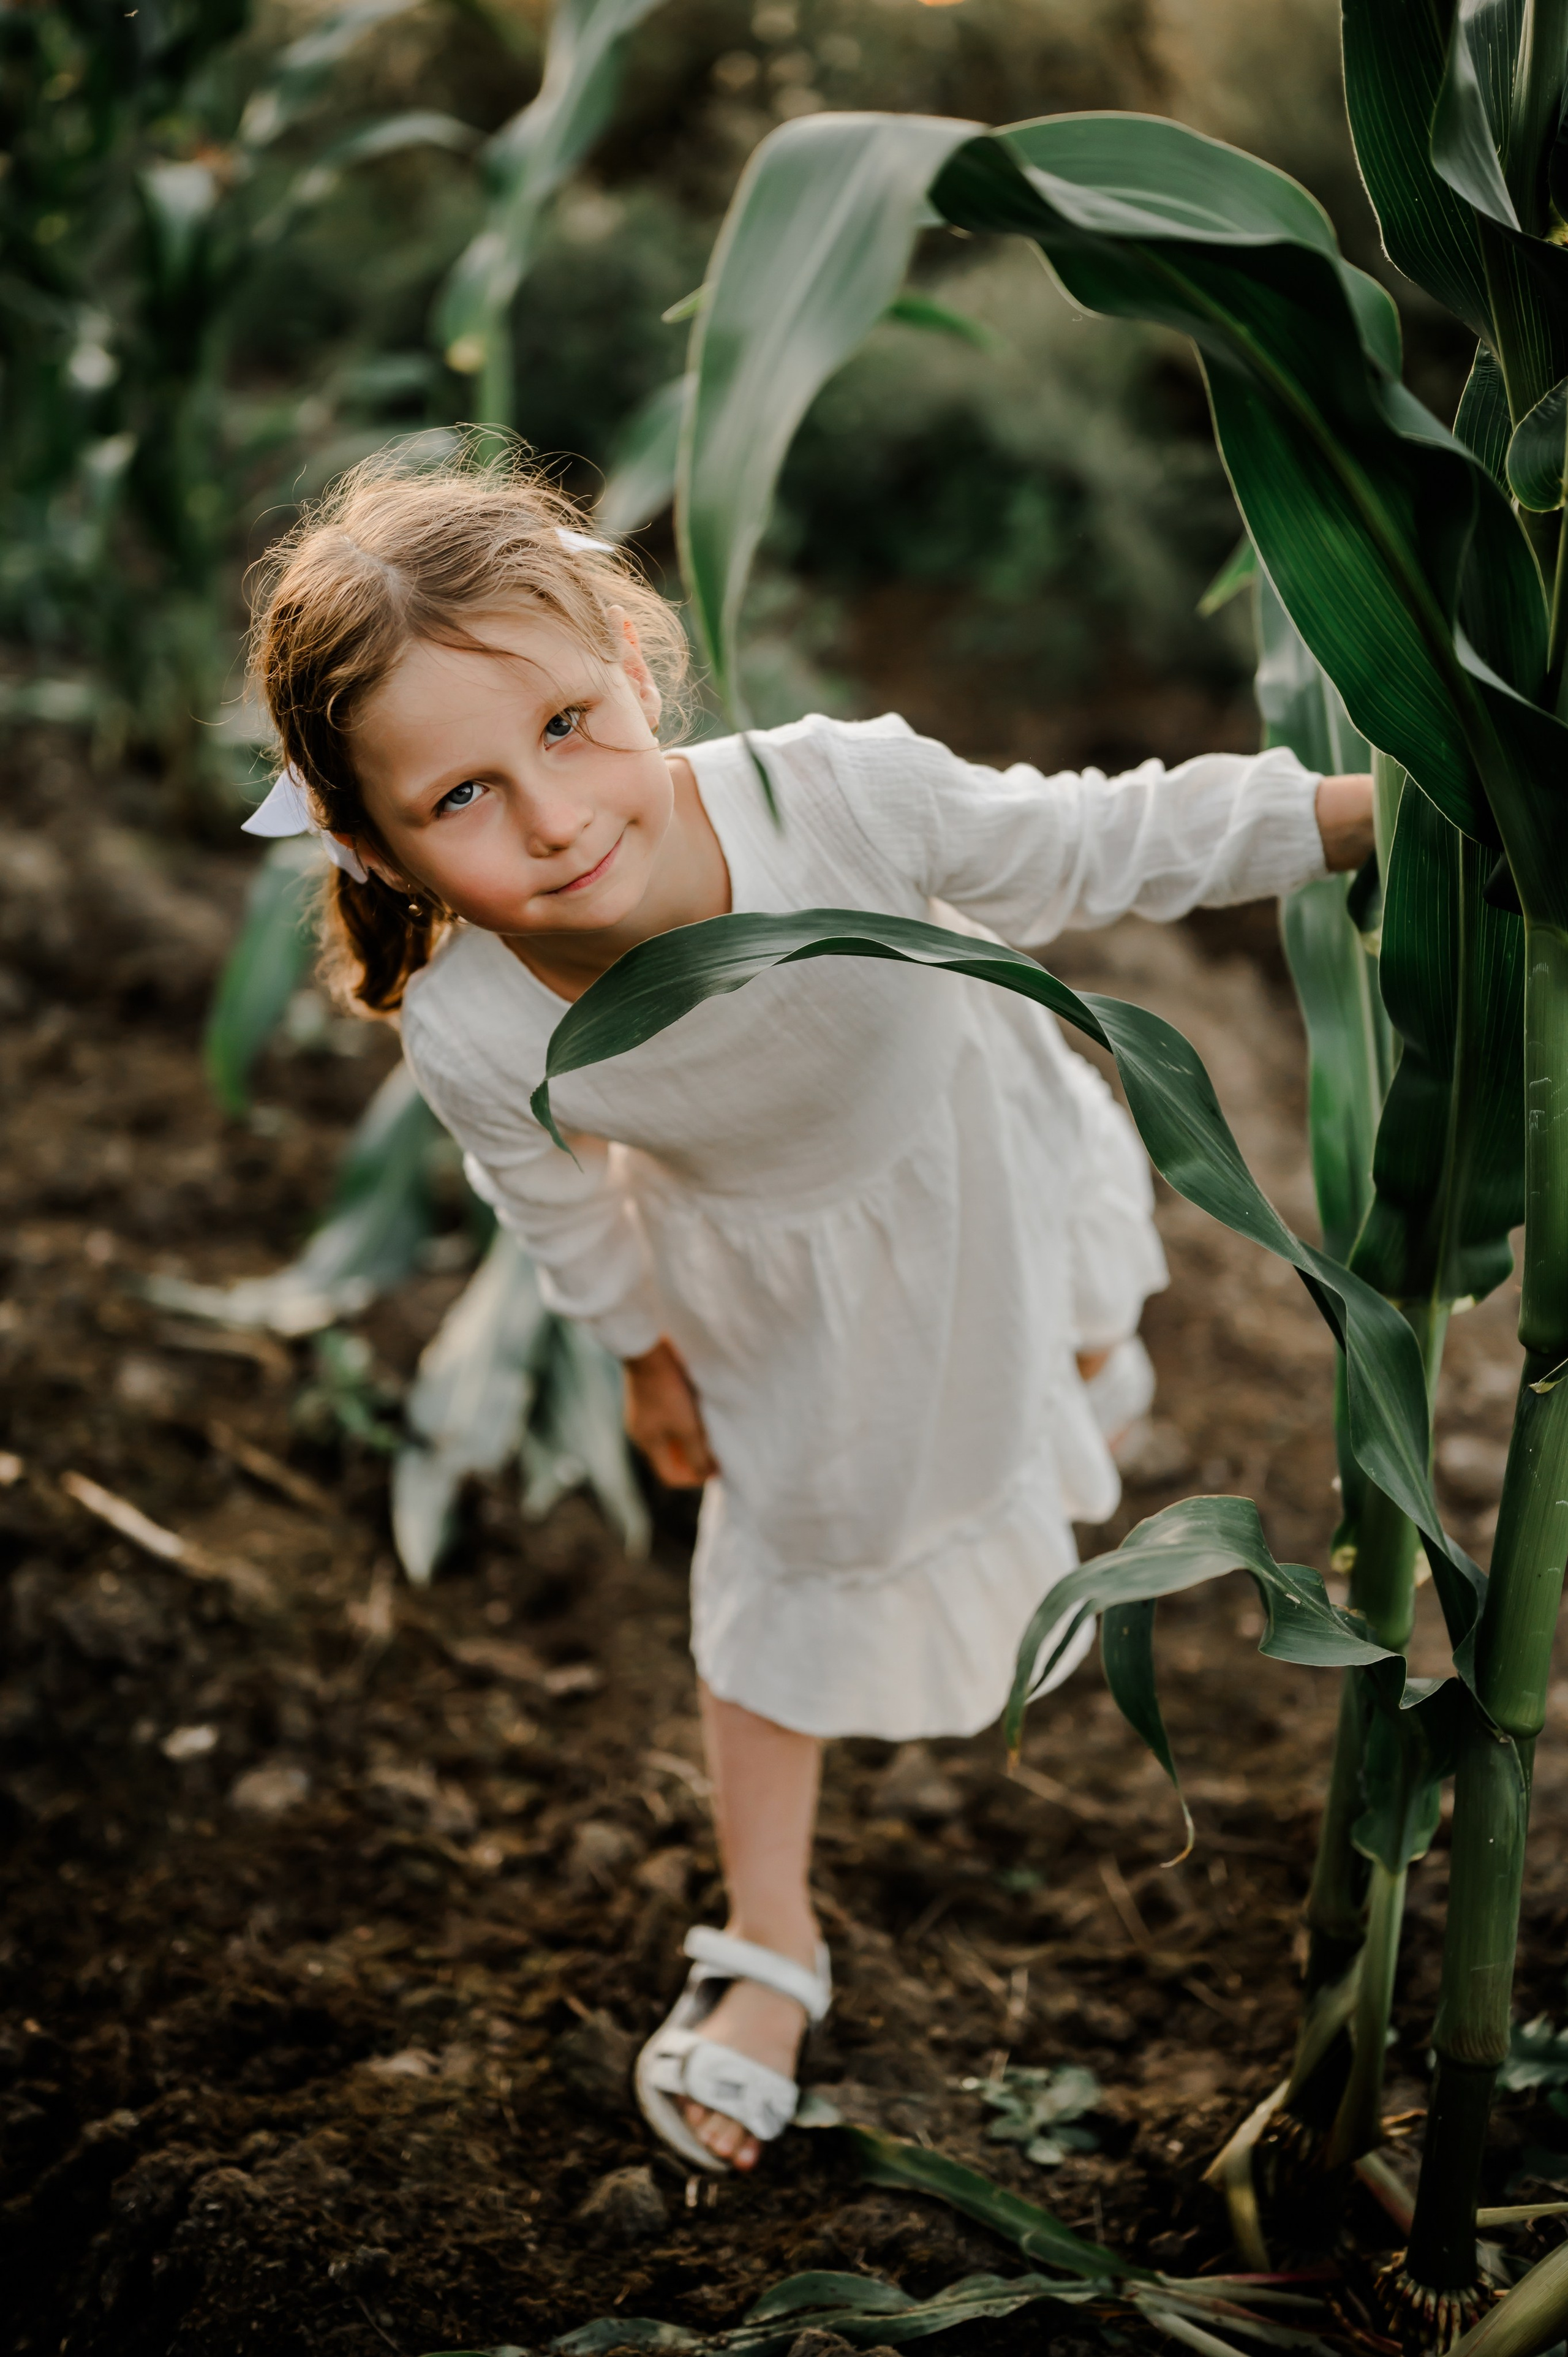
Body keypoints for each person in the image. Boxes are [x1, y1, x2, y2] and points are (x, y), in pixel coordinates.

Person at [243, 450, 1374, 2178]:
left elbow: (1107, 836)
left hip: (978, 1166)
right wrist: (643, 1358)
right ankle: (773, 1936)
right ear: (365, 838)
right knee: (782, 1568)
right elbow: (557, 1201)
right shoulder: (471, 1027)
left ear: (635, 669)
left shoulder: (838, 797)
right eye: (458, 797)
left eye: (563, 726)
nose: (550, 819)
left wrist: (1376, 812)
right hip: (776, 1292)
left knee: (1065, 1370)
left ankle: (1054, 1414)